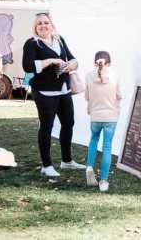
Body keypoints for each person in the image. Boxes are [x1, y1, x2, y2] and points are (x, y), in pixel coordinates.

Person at [22, 12, 85, 178]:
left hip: (64, 89)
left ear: (52, 25)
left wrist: (72, 64)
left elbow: (73, 59)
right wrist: (50, 61)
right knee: (47, 127)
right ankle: (46, 165)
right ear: (35, 27)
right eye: (39, 24)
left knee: (68, 123)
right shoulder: (32, 43)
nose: (43, 26)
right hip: (44, 92)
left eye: (46, 23)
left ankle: (67, 161)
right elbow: (27, 66)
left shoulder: (59, 39)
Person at [84, 51, 122, 192]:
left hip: (95, 116)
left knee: (93, 139)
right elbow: (118, 95)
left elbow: (87, 96)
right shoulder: (115, 75)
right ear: (109, 63)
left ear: (95, 63)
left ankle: (89, 166)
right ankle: (104, 181)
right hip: (110, 117)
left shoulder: (88, 76)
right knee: (107, 146)